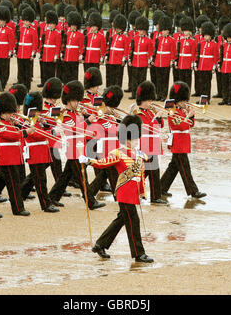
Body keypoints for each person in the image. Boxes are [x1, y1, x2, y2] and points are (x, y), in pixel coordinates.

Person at [79, 115, 154, 263]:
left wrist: (141, 192)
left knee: (121, 220)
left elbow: (145, 163)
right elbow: (102, 163)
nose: (137, 141)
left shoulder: (138, 154)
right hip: (124, 193)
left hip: (132, 194)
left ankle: (100, 244)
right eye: (135, 139)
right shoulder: (118, 153)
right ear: (127, 139)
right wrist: (87, 160)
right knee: (133, 222)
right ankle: (139, 253)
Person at [48, 80, 105, 210]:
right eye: (74, 101)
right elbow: (73, 129)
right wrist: (87, 121)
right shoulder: (66, 115)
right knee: (82, 178)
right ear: (68, 101)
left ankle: (53, 197)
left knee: (65, 176)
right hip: (73, 149)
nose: (77, 103)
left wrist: (86, 115)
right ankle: (90, 201)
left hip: (79, 147)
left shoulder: (75, 113)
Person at [160, 82, 206, 199]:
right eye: (183, 100)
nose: (185, 102)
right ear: (178, 100)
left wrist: (191, 115)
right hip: (178, 143)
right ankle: (193, 191)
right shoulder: (172, 111)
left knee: (173, 168)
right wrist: (188, 116)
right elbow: (179, 126)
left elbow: (190, 125)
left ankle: (161, 188)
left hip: (183, 141)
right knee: (185, 168)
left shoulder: (181, 110)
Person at [19, 91, 59, 213]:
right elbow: (36, 134)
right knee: (41, 181)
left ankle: (19, 195)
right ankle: (45, 204)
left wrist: (45, 123)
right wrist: (50, 133)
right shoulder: (27, 119)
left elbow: (50, 125)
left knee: (36, 179)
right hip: (35, 152)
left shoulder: (36, 118)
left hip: (42, 152)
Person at [134, 81, 167, 204]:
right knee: (152, 171)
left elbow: (160, 125)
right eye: (148, 101)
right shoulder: (139, 114)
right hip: (146, 145)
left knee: (149, 171)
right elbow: (149, 127)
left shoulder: (149, 112)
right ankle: (155, 197)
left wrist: (158, 117)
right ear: (142, 100)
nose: (150, 103)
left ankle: (138, 192)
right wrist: (156, 117)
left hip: (152, 144)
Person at [128, 16, 153, 100]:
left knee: (142, 80)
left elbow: (150, 52)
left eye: (142, 30)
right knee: (134, 79)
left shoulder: (148, 40)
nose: (141, 32)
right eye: (139, 30)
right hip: (135, 61)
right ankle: (134, 94)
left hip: (143, 62)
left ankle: (141, 95)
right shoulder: (134, 38)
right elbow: (131, 50)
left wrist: (149, 62)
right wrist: (130, 60)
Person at [152, 15, 176, 101]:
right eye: (162, 30)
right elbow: (155, 50)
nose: (163, 32)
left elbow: (173, 52)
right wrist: (154, 60)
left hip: (166, 62)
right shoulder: (158, 39)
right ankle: (158, 94)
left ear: (168, 31)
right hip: (158, 61)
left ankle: (164, 95)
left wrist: (172, 61)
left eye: (164, 30)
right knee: (158, 79)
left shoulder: (172, 40)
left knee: (165, 80)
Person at [195, 21, 218, 100]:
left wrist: (214, 67)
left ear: (211, 36)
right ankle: (202, 98)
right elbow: (198, 55)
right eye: (204, 35)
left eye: (207, 35)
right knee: (201, 83)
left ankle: (207, 98)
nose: (205, 37)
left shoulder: (214, 44)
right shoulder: (201, 43)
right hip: (201, 66)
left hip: (208, 67)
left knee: (207, 84)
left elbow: (215, 56)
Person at [16, 7, 38, 91]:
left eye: (27, 21)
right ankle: (20, 86)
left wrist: (33, 54)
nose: (25, 22)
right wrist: (16, 51)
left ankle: (27, 87)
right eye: (24, 20)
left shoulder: (33, 31)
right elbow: (18, 41)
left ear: (30, 21)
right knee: (20, 71)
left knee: (27, 72)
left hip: (28, 54)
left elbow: (35, 44)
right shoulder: (20, 29)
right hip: (20, 53)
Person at [105, 14, 129, 88]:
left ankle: (117, 89)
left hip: (119, 61)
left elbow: (126, 50)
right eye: (116, 28)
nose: (117, 29)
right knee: (110, 76)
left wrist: (123, 59)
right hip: (111, 60)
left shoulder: (125, 38)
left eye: (118, 28)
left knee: (118, 77)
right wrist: (107, 57)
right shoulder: (113, 37)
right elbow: (109, 48)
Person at [61, 11, 84, 84]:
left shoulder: (80, 35)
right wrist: (62, 54)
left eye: (74, 25)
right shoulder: (67, 34)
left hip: (74, 57)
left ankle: (74, 86)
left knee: (74, 74)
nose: (73, 27)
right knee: (66, 73)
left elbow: (81, 47)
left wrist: (80, 56)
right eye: (71, 25)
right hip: (67, 57)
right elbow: (64, 45)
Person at [175, 16, 195, 88]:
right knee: (181, 80)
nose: (185, 32)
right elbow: (178, 52)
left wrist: (193, 63)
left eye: (187, 31)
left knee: (187, 80)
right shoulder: (181, 41)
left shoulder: (192, 41)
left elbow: (193, 53)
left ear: (190, 31)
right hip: (181, 63)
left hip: (188, 63)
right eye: (185, 30)